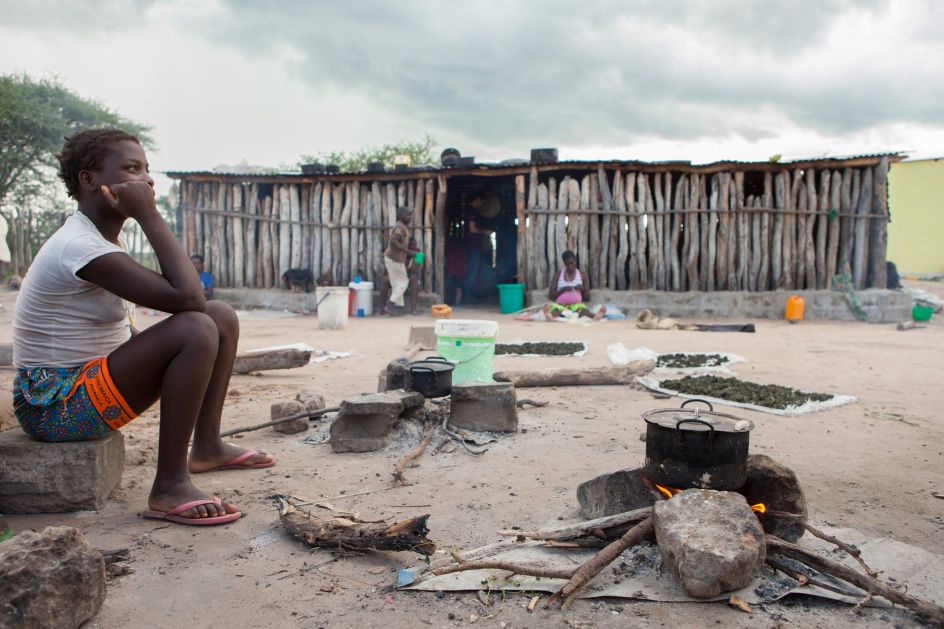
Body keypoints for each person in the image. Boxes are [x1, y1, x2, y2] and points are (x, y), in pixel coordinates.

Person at [11, 128, 275, 526]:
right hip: (51, 405)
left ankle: (206, 446)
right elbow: (188, 298)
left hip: (83, 384)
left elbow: (191, 305)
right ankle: (169, 486)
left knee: (219, 316)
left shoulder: (101, 242)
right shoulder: (79, 245)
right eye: (133, 169)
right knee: (196, 327)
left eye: (148, 170)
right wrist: (149, 215)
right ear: (90, 180)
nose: (148, 180)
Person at [543, 250, 606, 321]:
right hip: (561, 305)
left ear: (575, 261)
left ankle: (596, 317)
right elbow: (551, 296)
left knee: (584, 313)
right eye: (567, 264)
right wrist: (563, 290)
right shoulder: (558, 275)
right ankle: (550, 317)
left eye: (572, 263)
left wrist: (582, 289)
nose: (570, 266)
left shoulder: (582, 275)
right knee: (555, 313)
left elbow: (587, 298)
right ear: (564, 263)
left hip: (576, 306)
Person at [382, 206, 420, 316]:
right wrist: (408, 252)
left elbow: (416, 269)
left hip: (393, 258)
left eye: (410, 215)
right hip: (394, 259)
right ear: (401, 216)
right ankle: (389, 305)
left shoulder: (418, 253)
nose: (410, 217)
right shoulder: (400, 228)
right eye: (408, 215)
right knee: (403, 283)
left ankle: (394, 308)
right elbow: (393, 241)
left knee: (400, 282)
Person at [461, 193, 495, 304]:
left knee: (475, 270)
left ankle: (471, 295)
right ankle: (467, 297)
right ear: (476, 198)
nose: (482, 204)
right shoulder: (471, 212)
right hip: (473, 246)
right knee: (472, 271)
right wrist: (485, 232)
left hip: (474, 246)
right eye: (481, 201)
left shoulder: (471, 211)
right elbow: (472, 230)